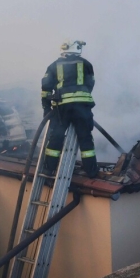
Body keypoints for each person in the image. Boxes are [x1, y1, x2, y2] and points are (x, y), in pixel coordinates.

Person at [41, 40, 98, 178]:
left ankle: (49, 169)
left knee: (56, 137)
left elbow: (46, 89)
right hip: (82, 107)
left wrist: (46, 108)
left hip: (62, 108)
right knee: (85, 139)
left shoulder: (53, 66)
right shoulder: (87, 64)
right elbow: (91, 83)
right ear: (77, 50)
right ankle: (91, 172)